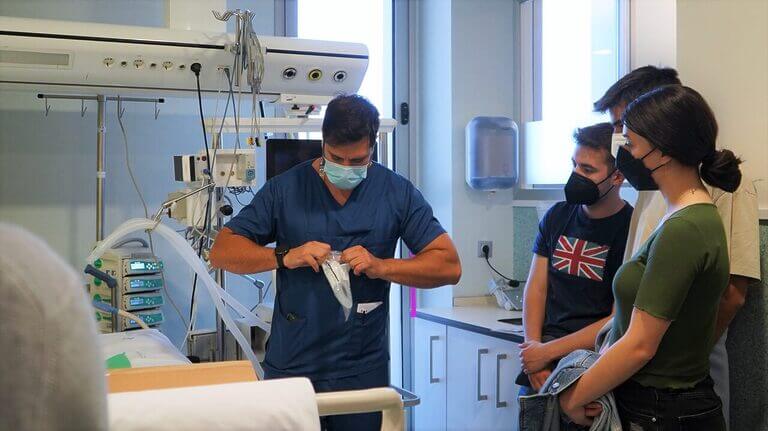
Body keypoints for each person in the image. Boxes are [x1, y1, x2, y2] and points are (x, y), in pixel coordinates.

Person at [209, 94, 461, 431]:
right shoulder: (285, 191)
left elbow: (448, 265)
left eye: (357, 161)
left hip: (360, 369)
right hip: (293, 364)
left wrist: (382, 266)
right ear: (322, 144)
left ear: (372, 147)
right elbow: (222, 251)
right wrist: (285, 256)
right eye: (335, 158)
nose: (345, 168)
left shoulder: (396, 193)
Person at [560, 85, 741, 430]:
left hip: (664, 411)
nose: (624, 154)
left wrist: (574, 395)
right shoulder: (680, 216)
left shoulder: (686, 227)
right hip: (657, 405)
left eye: (630, 143)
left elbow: (640, 345)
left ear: (662, 151)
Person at [593, 66, 761, 428]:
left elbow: (733, 293)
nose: (622, 143)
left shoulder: (720, 188)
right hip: (637, 369)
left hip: (683, 376)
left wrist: (678, 360)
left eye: (628, 129)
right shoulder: (652, 186)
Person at [518, 123, 632, 406]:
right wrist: (534, 351)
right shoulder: (557, 216)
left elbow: (617, 319)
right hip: (542, 357)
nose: (576, 175)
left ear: (617, 177)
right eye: (574, 165)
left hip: (594, 361)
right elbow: (536, 289)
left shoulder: (631, 229)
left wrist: (547, 352)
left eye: (588, 170)